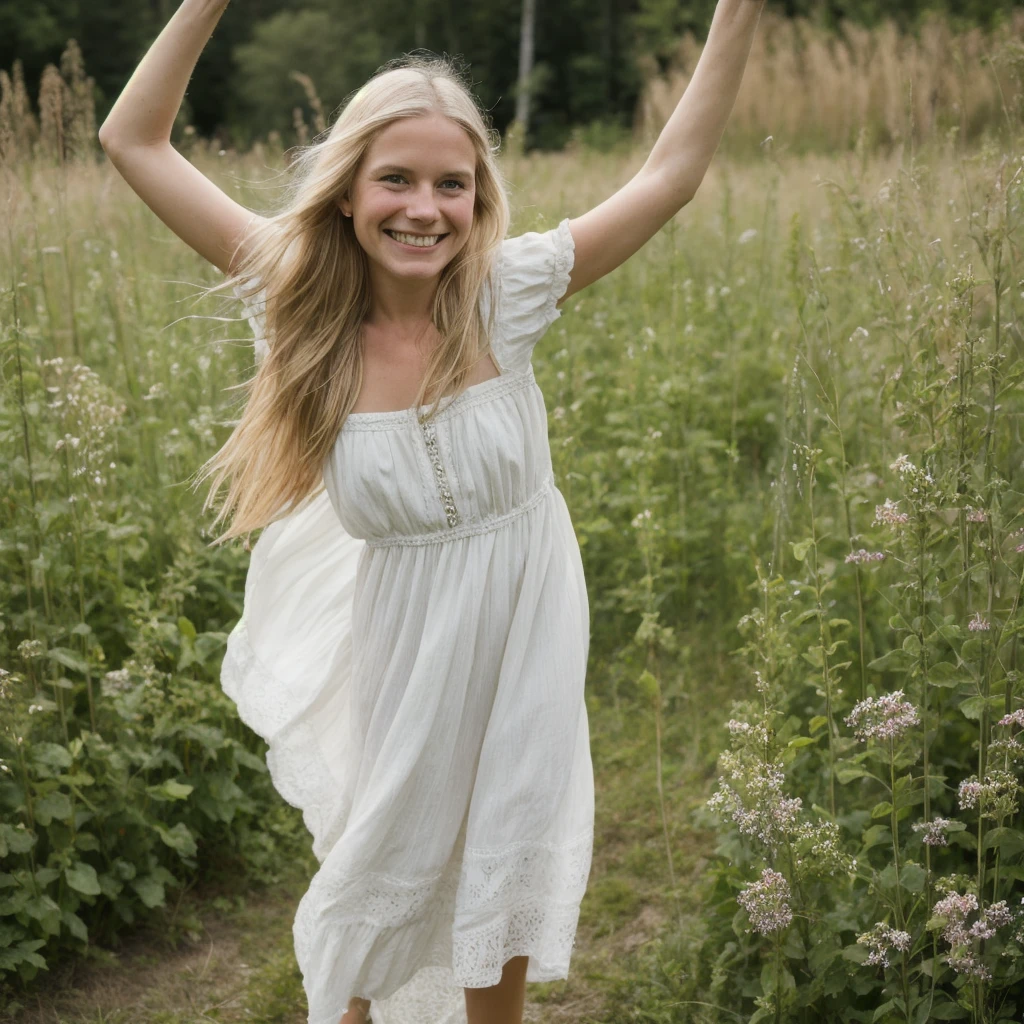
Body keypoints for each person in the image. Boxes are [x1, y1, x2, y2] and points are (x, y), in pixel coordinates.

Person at [97, 1, 765, 1021]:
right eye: (395, 180)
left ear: (478, 197)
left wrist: (736, 12)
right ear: (349, 192)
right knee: (384, 877)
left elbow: (668, 176)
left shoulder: (510, 292)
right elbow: (130, 140)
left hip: (526, 622)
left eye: (452, 183)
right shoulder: (297, 296)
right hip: (402, 640)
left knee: (505, 855)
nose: (425, 209)